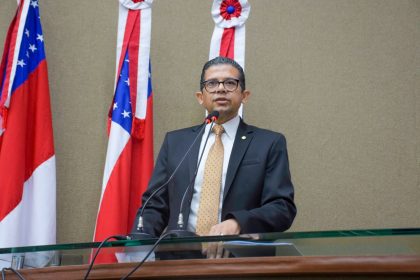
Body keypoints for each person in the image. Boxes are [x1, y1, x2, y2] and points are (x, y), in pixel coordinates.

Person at [132, 56, 296, 244]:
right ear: (200, 97)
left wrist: (238, 223)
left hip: (242, 259)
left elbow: (282, 208)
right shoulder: (176, 142)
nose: (220, 88)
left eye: (230, 83)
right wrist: (137, 247)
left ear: (245, 95)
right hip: (180, 259)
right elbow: (155, 205)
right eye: (212, 83)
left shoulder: (269, 143)